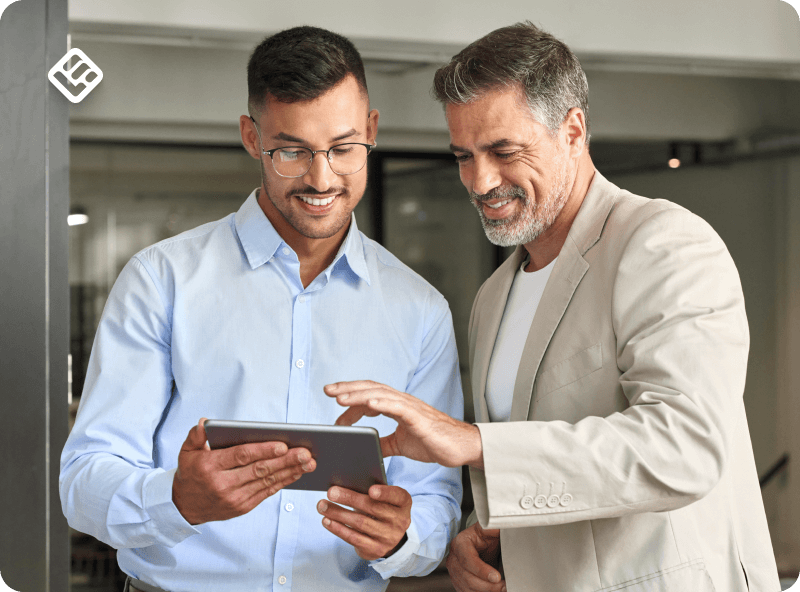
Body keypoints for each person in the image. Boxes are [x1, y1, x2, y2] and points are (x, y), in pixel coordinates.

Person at [325, 21, 781, 592]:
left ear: (573, 130)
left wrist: (474, 443)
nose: (480, 180)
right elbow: (535, 477)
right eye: (464, 155)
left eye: (503, 151)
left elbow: (684, 448)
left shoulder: (662, 242)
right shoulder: (493, 298)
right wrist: (482, 535)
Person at [60, 26, 463, 592]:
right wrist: (175, 500)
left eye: (344, 149)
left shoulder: (420, 309)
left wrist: (403, 538)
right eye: (291, 151)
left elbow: (436, 502)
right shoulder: (162, 280)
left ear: (371, 131)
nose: (321, 178)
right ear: (252, 137)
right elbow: (83, 484)